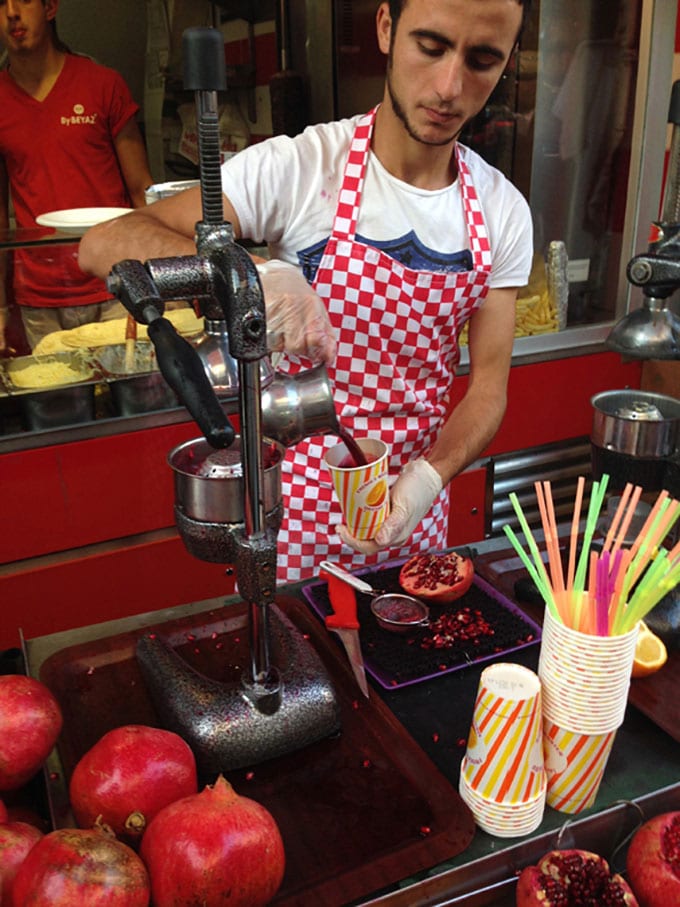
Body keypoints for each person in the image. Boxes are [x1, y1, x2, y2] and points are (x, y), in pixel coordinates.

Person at [79, 0, 534, 584]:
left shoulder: (501, 211)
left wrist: (427, 480)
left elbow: (488, 391)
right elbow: (103, 243)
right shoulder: (301, 168)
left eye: (482, 59)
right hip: (290, 514)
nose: (450, 87)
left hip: (414, 514)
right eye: (431, 46)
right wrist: (252, 273)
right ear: (386, 28)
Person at [0, 0, 153, 353]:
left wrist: (161, 278)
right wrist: (2, 305)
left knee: (132, 401)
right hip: (39, 295)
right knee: (58, 405)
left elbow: (142, 190)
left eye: (23, 0)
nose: (11, 13)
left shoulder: (102, 85)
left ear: (50, 7)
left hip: (114, 283)